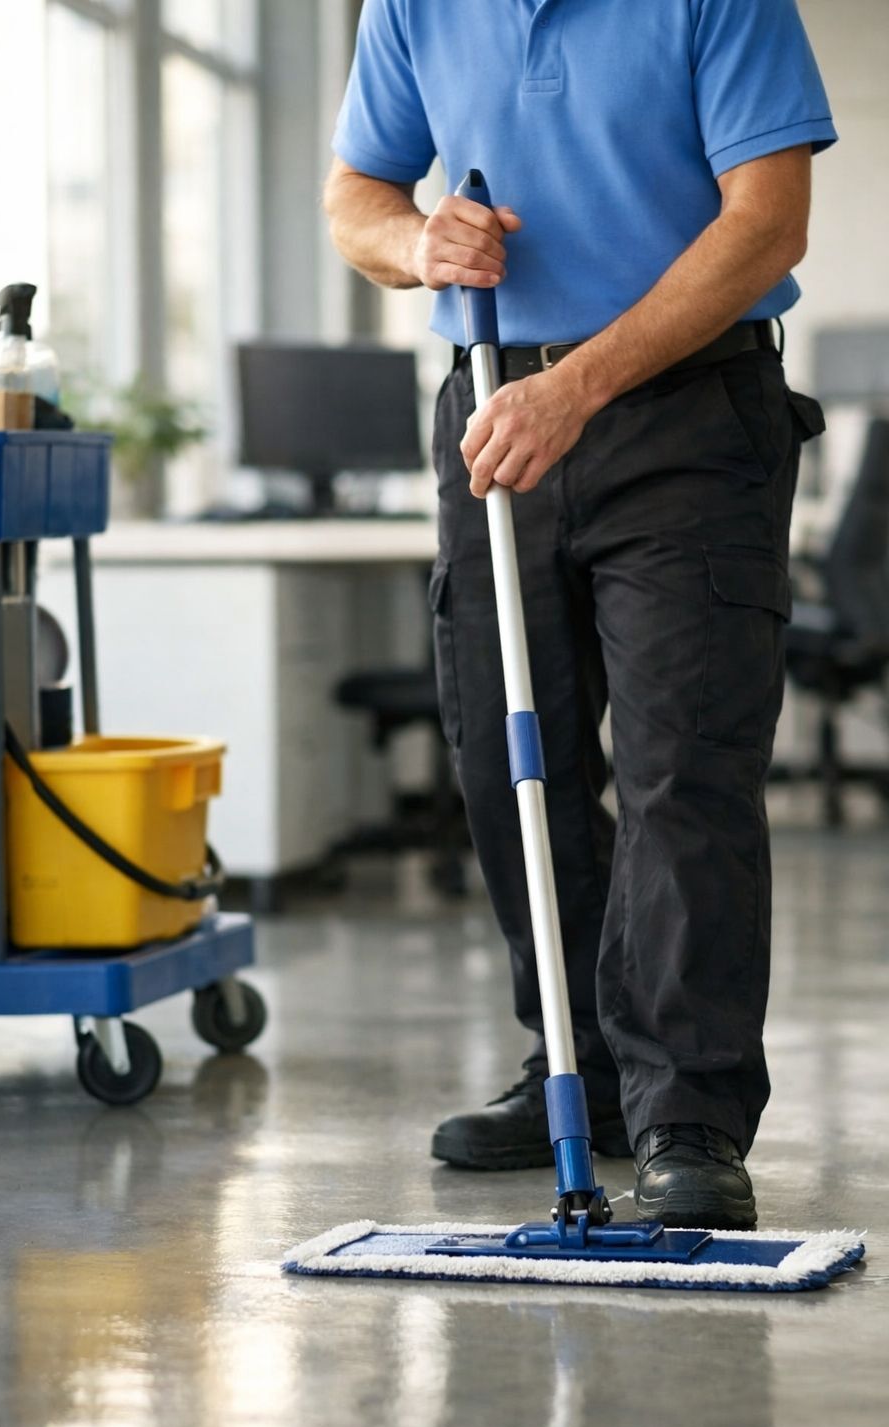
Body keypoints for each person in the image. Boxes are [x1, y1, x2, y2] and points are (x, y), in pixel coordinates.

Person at [324, 0, 835, 1229]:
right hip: (493, 407)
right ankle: (581, 1069)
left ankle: (688, 1112)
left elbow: (765, 226)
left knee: (680, 768)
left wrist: (582, 385)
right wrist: (417, 244)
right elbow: (357, 197)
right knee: (511, 763)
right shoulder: (414, 9)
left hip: (686, 417)